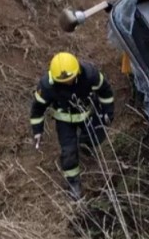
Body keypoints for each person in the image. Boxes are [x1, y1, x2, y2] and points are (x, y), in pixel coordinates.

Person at [29, 52, 115, 199]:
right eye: (63, 81)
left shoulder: (90, 75)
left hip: (88, 113)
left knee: (97, 136)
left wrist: (108, 112)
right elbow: (38, 108)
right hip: (64, 120)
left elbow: (105, 91)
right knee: (69, 153)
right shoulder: (47, 86)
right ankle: (73, 183)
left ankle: (84, 144)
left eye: (70, 78)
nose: (68, 83)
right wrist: (37, 131)